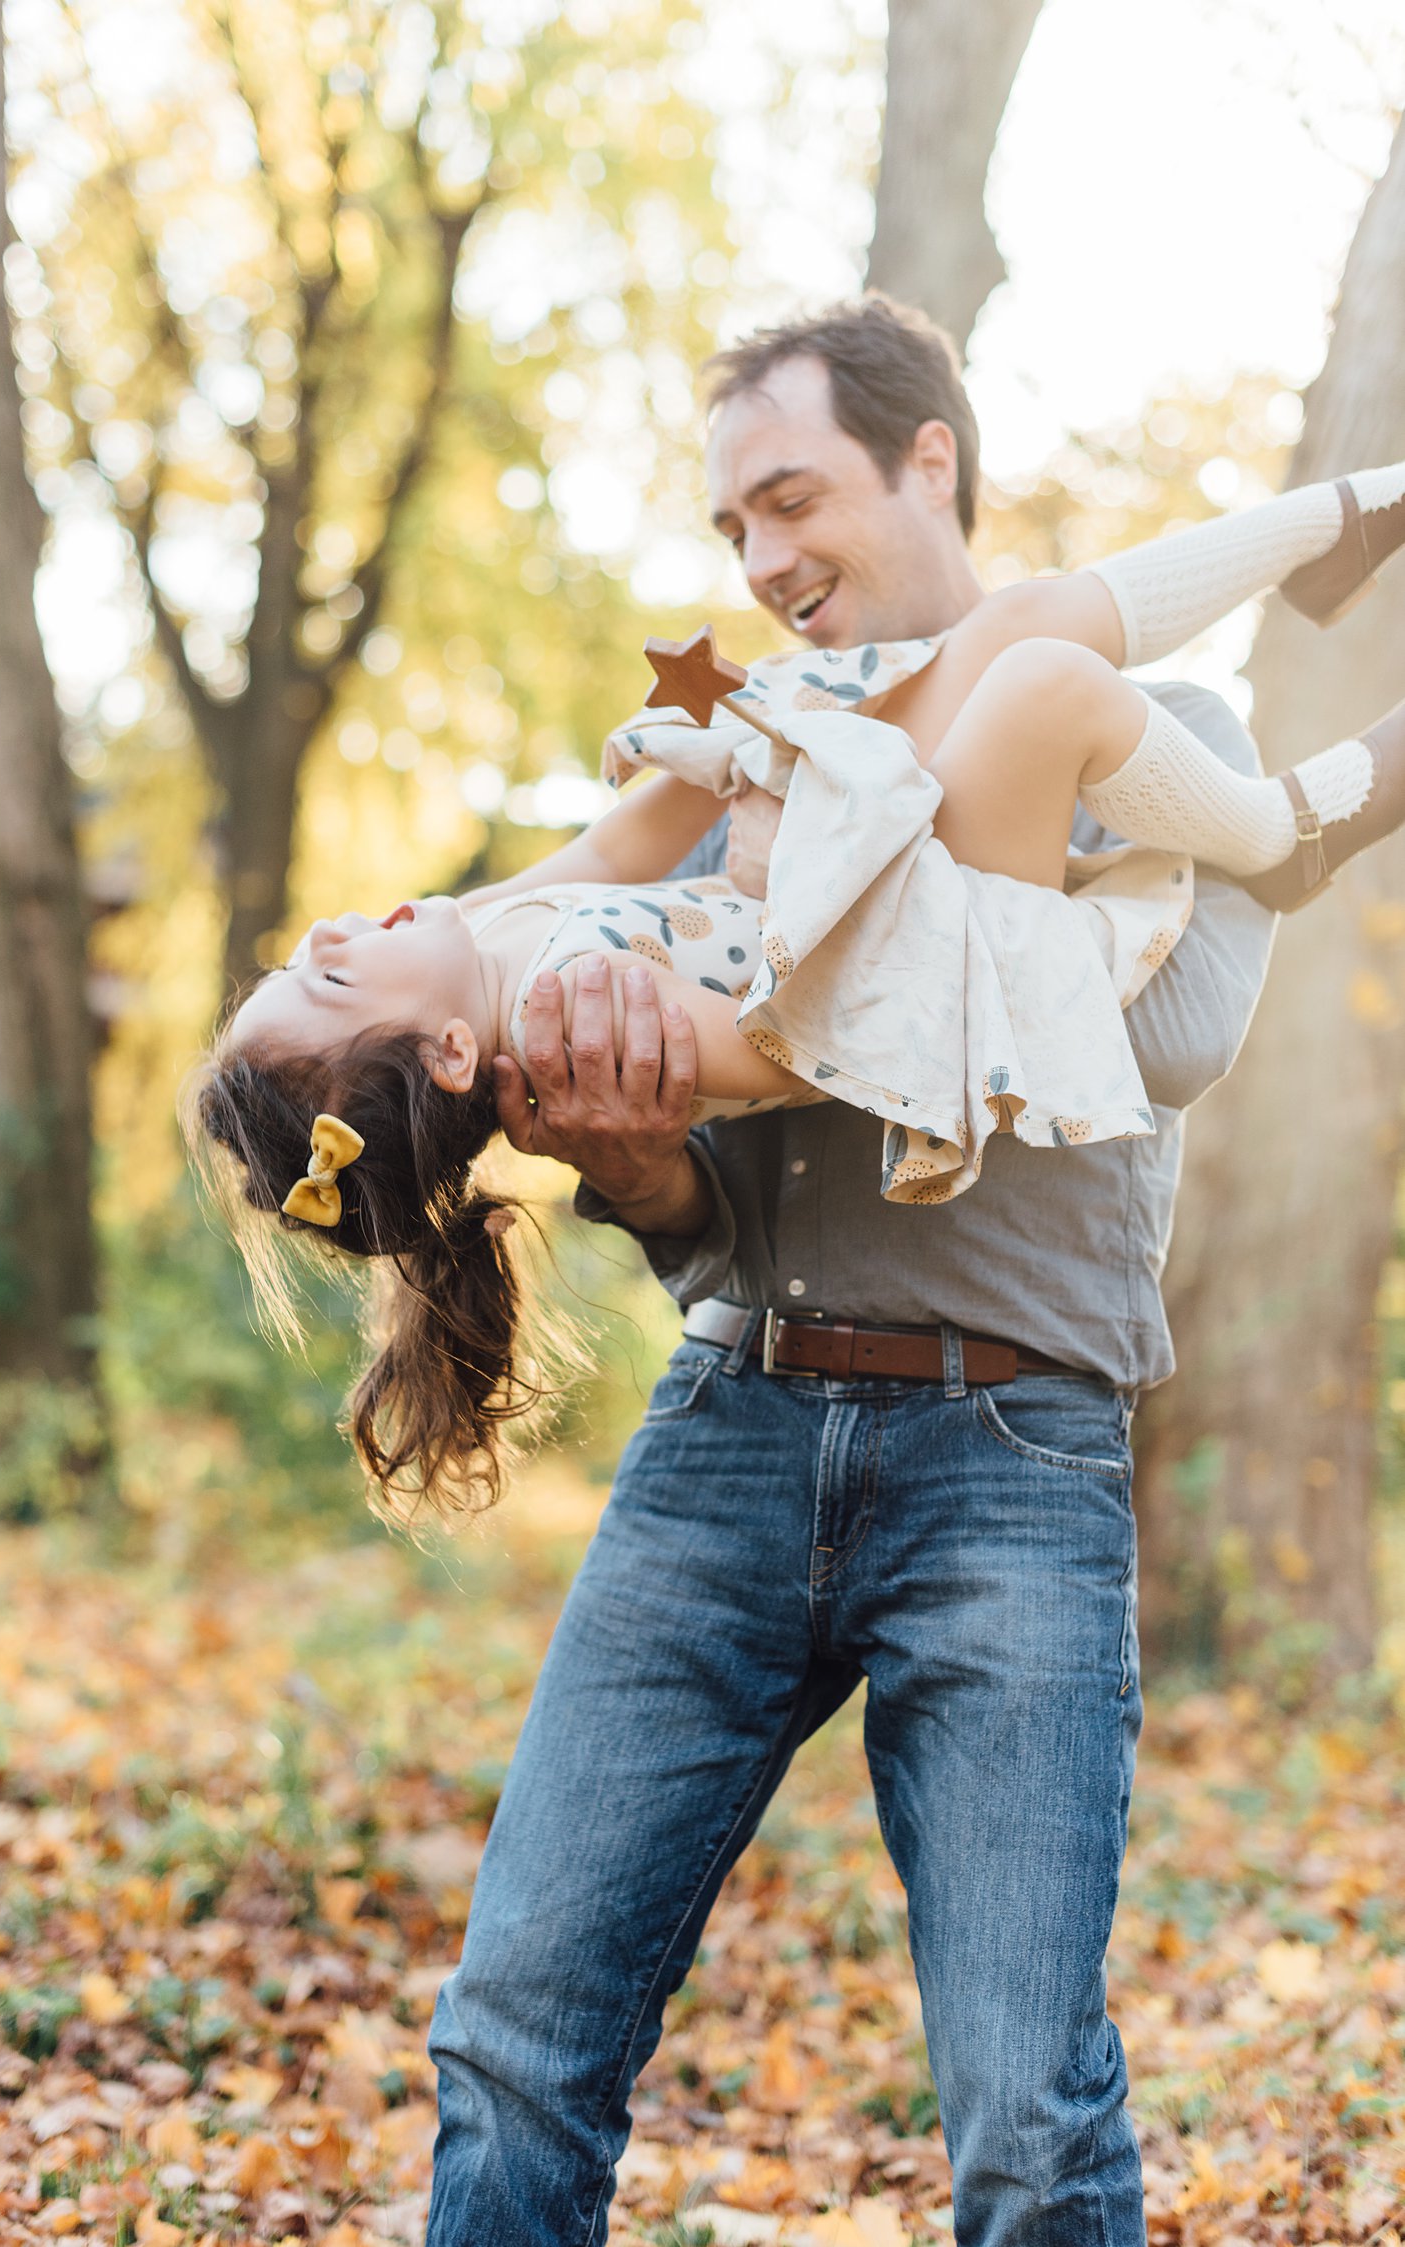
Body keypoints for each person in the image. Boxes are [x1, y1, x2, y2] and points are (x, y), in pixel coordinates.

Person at [416, 300, 1280, 2247]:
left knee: (1028, 2118)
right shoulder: (755, 771)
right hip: (734, 1422)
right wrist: (633, 1148)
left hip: (1016, 1459)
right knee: (518, 2037)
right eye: (733, 529)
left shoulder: (1172, 734)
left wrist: (837, 891)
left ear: (931, 463)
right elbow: (707, 1211)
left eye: (792, 496)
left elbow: (1169, 1033)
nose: (764, 559)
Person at [190, 415, 1405, 1510]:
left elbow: (635, 834)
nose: (323, 936)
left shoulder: (494, 921)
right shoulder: (582, 1020)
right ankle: (1281, 835)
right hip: (921, 957)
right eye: (330, 981)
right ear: (453, 1052)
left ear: (927, 463)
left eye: (298, 962)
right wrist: (787, 889)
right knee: (1039, 683)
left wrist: (738, 733)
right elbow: (810, 1044)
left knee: (1029, 624)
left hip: (863, 824)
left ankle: (1338, 524)